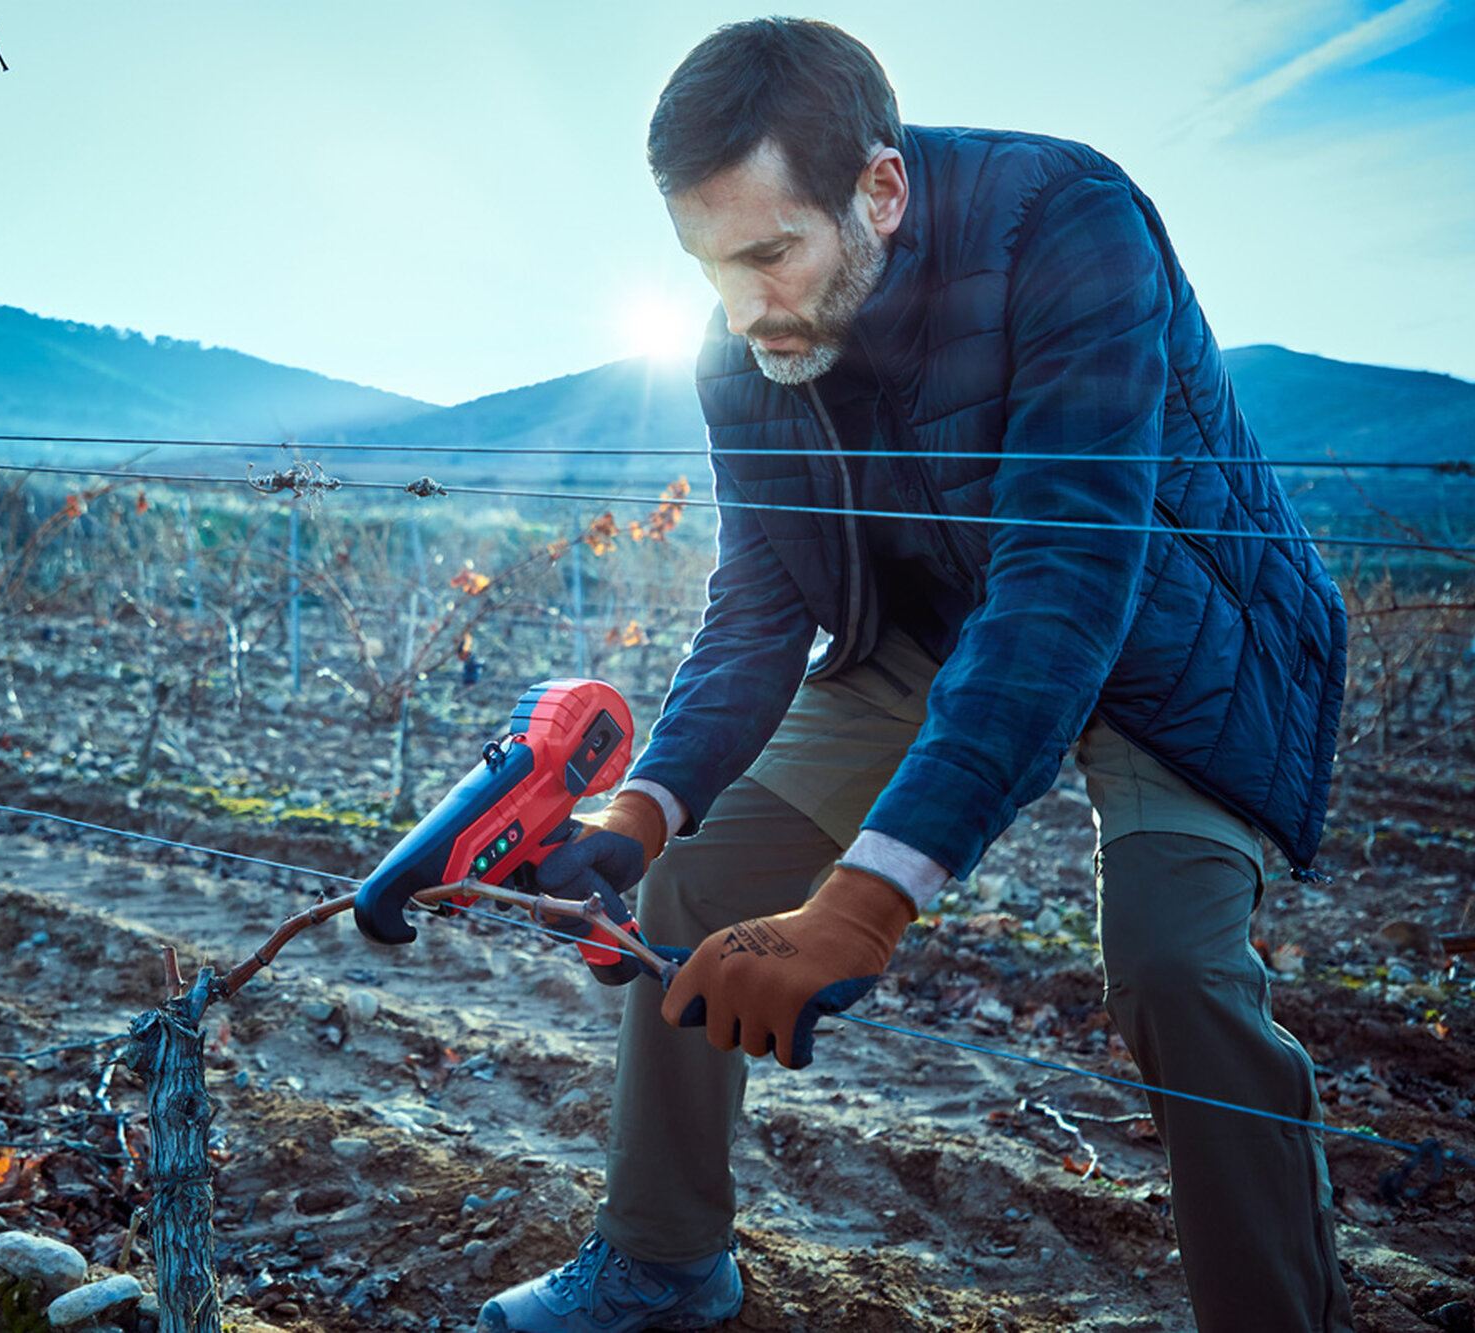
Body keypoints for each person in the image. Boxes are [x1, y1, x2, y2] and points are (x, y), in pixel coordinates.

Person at [477, 18, 1352, 1333]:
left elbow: (1064, 589)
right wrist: (640, 809)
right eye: (708, 265)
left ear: (881, 190)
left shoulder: (1070, 221)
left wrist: (866, 902)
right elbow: (761, 605)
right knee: (693, 874)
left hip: (1164, 635)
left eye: (772, 253)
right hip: (935, 629)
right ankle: (664, 1261)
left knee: (1174, 970)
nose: (743, 303)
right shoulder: (743, 345)